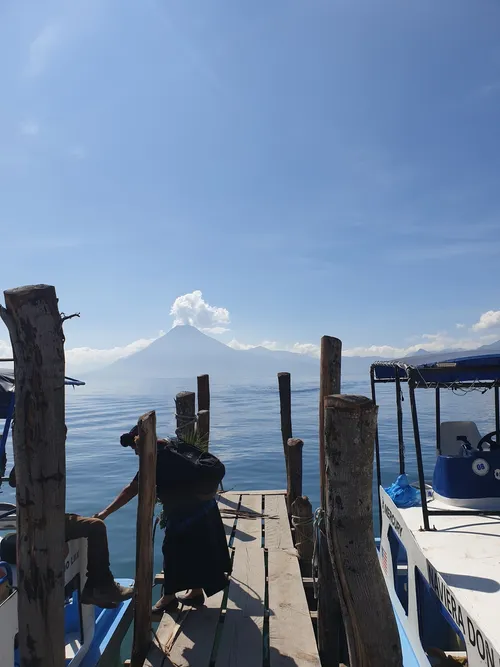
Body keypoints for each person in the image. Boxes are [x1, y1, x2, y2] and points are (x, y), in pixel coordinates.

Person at [95, 427, 231, 613]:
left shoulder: (154, 460)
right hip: (206, 509)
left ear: (141, 445)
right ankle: (196, 593)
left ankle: (168, 599)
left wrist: (105, 513)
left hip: (185, 514)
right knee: (198, 550)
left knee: (172, 553)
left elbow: (131, 490)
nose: (135, 454)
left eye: (135, 449)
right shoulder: (174, 444)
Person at [8, 467, 133, 608]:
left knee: (93, 525)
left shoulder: (51, 452)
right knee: (96, 527)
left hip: (48, 518)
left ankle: (96, 586)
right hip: (38, 522)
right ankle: (100, 587)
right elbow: (13, 480)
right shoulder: (36, 452)